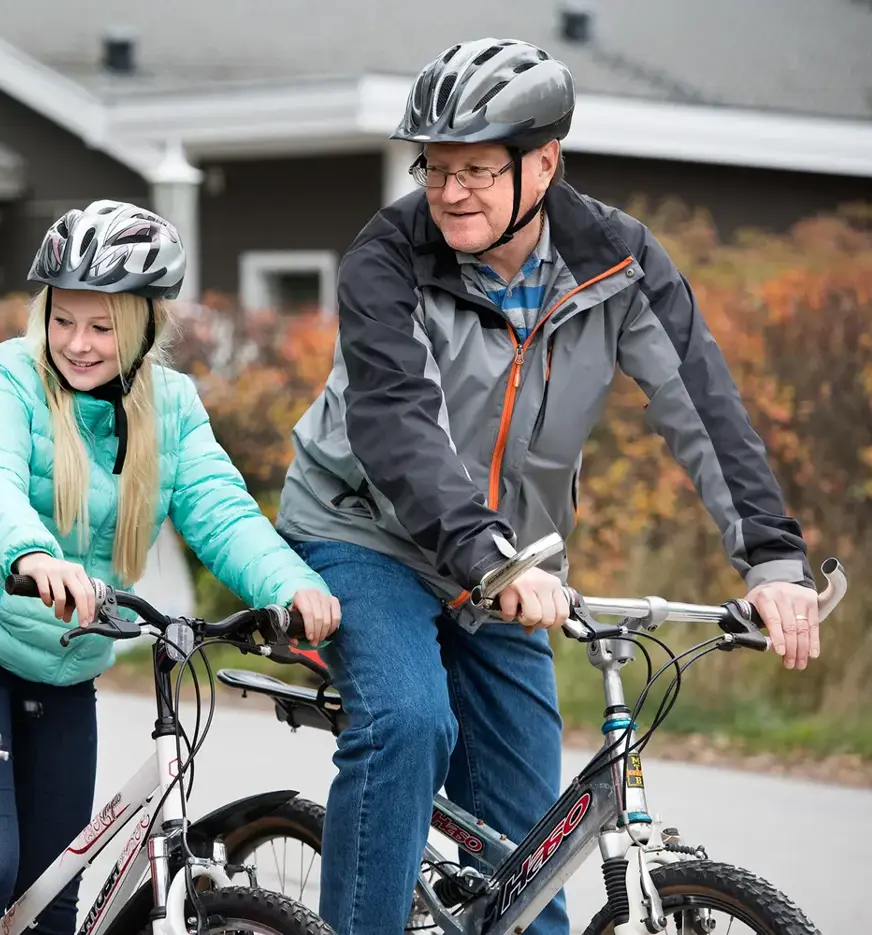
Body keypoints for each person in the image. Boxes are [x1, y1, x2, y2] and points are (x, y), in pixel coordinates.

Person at [274, 37, 821, 935]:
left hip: (508, 559)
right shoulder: (390, 255)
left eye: (477, 170)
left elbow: (703, 407)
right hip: (364, 533)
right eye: (435, 167)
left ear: (544, 162)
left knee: (533, 847)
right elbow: (398, 426)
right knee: (408, 722)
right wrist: (490, 560)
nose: (449, 191)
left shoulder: (618, 262)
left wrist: (771, 558)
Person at [0, 199, 341, 935]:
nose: (77, 343)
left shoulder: (172, 407)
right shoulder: (5, 377)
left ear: (145, 327)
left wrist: (292, 586)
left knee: (54, 897)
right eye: (62, 319)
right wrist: (32, 555)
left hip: (62, 664)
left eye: (102, 327)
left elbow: (220, 510)